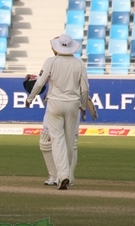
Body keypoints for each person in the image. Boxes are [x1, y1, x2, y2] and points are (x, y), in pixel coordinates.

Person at [26, 34, 89, 190]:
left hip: (55, 104)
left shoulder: (51, 61)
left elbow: (40, 83)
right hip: (73, 103)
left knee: (57, 141)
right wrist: (82, 105)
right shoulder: (79, 63)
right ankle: (67, 176)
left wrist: (30, 98)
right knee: (69, 142)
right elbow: (85, 88)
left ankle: (62, 176)